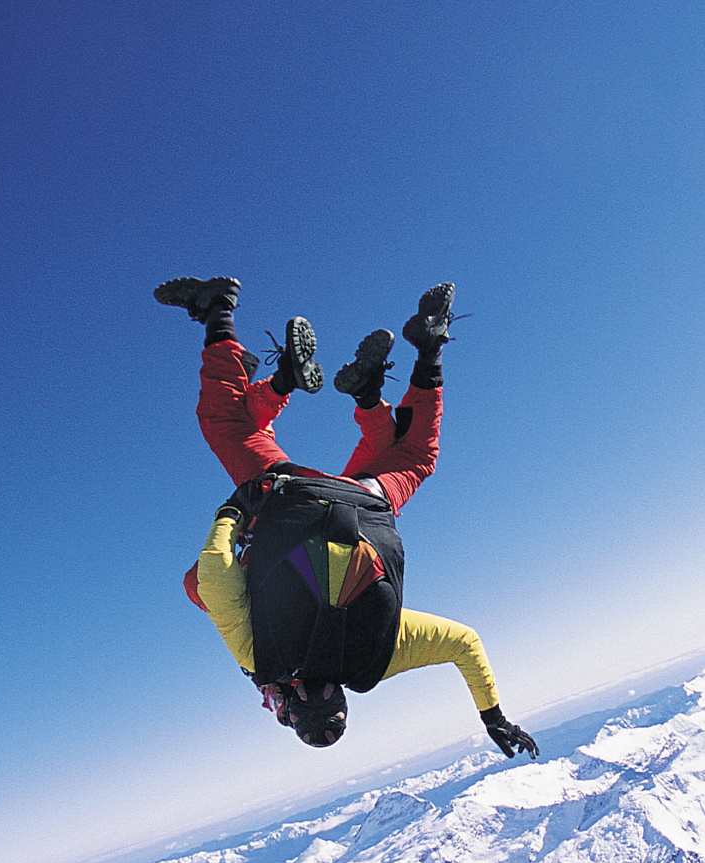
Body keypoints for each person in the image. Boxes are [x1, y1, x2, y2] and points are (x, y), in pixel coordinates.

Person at [154, 275, 538, 759]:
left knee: (414, 454)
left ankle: (420, 354)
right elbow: (210, 578)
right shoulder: (264, 658)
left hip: (364, 500)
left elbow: (465, 643)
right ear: (292, 707)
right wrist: (236, 509)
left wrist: (494, 717)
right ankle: (219, 314)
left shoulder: (378, 657)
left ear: (343, 702)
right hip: (288, 495)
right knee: (225, 422)